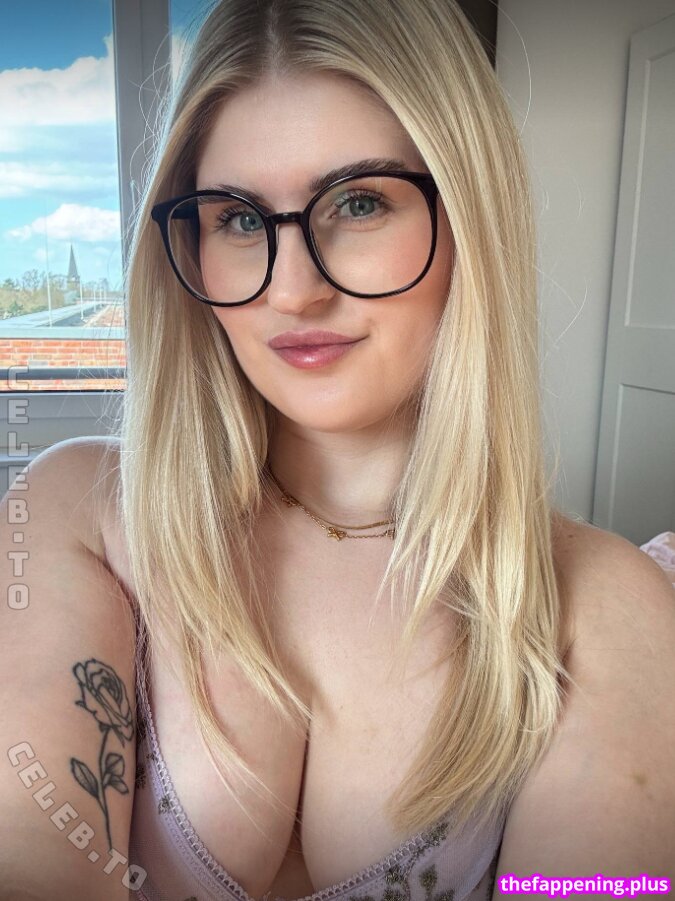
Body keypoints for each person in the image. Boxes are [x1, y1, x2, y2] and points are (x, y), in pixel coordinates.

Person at [1, 1, 674, 899]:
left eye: (359, 202)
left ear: (470, 219)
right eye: (239, 218)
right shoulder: (78, 511)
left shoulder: (602, 606)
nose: (293, 290)